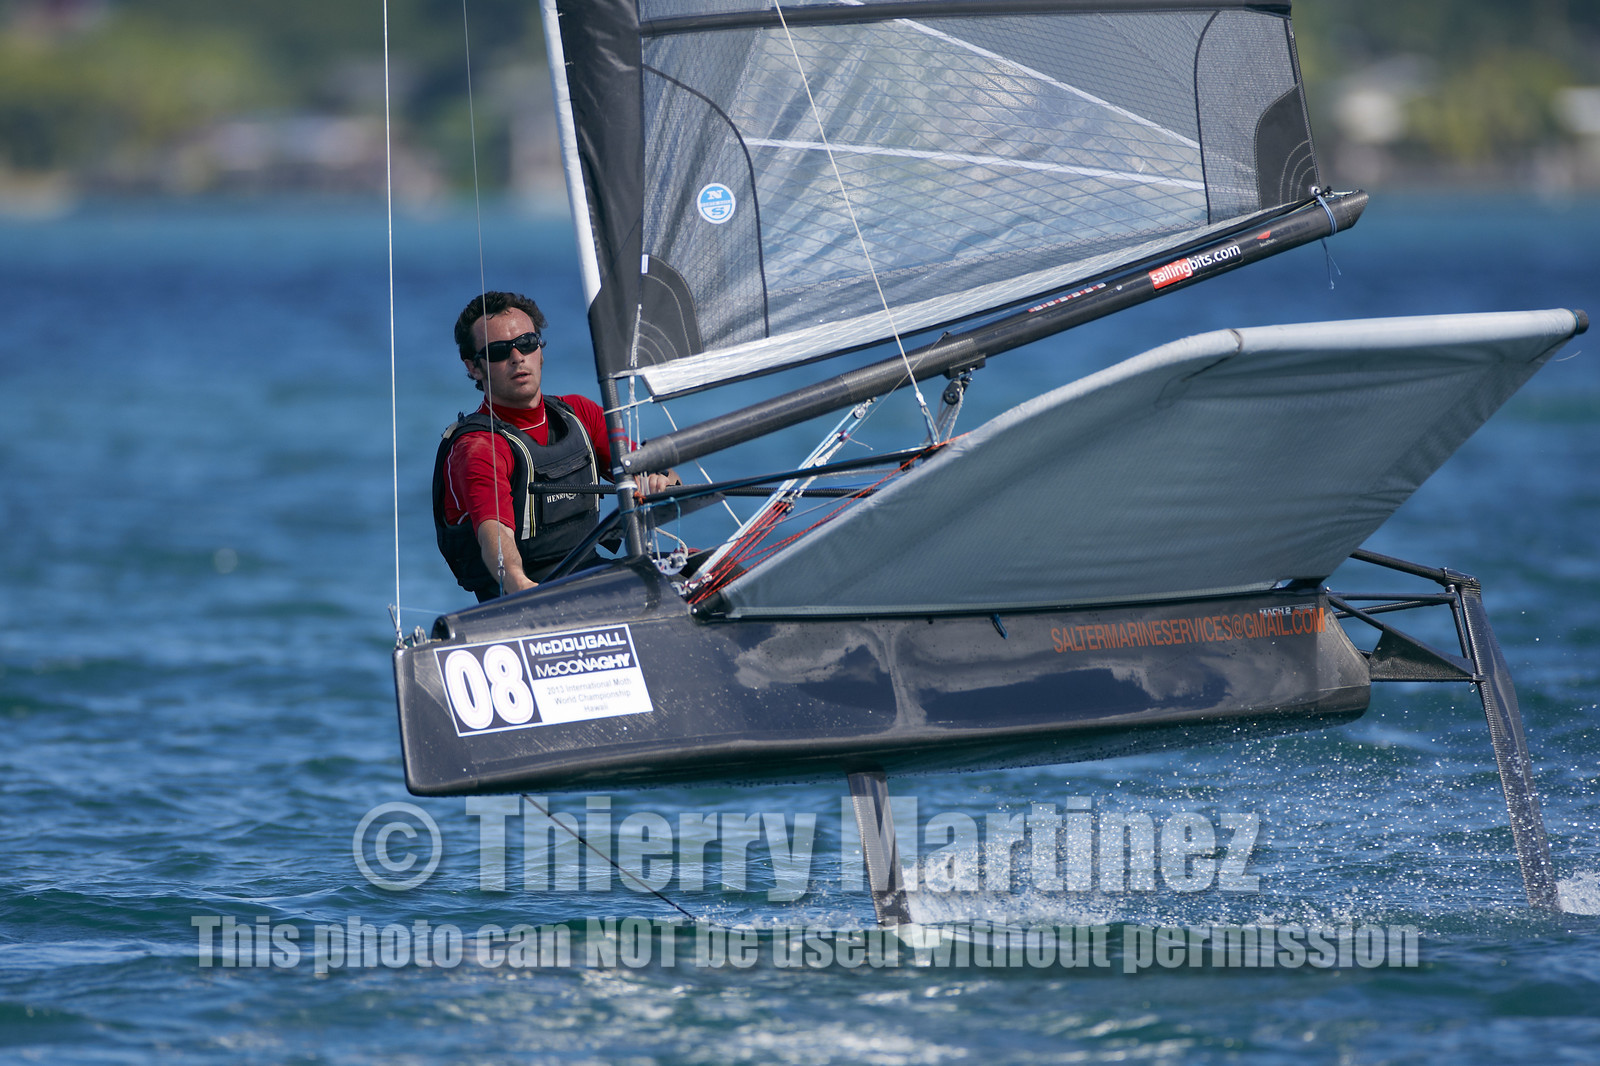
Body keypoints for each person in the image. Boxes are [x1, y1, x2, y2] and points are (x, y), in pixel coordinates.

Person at [432, 291, 679, 601]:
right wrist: (519, 584)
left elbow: (664, 478)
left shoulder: (581, 413)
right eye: (498, 351)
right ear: (474, 367)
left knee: (702, 570)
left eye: (526, 343)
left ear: (540, 350)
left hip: (591, 576)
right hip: (525, 596)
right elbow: (495, 535)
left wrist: (658, 479)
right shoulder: (478, 448)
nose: (517, 357)